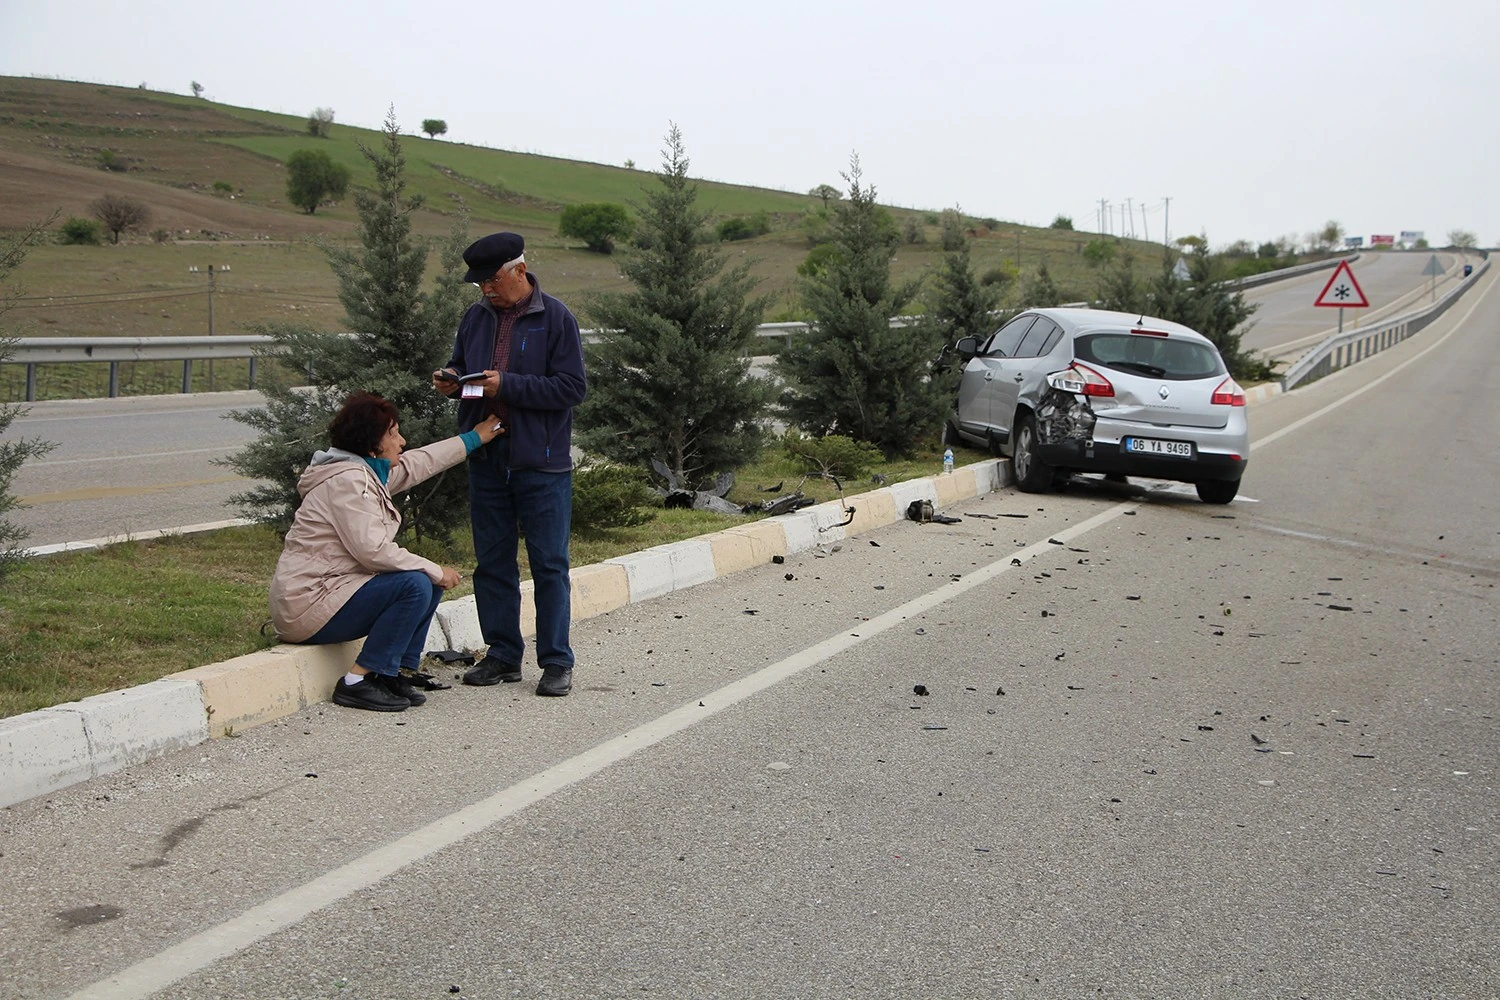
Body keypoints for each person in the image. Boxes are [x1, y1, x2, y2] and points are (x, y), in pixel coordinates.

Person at [269, 391, 505, 712]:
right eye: (393, 434)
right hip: (309, 607)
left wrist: (473, 439)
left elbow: (418, 463)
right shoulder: (349, 482)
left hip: (330, 596)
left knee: (423, 581)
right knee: (415, 583)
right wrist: (436, 569)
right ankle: (358, 681)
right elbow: (373, 552)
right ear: (371, 445)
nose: (402, 441)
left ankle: (395, 673)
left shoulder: (364, 473)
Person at [433, 232, 587, 697]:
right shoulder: (476, 318)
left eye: (492, 280)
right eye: (479, 283)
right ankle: (502, 655)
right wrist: (456, 384)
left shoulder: (556, 317)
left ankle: (557, 662)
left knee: (549, 565)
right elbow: (469, 375)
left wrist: (509, 387)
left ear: (520, 270)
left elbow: (570, 389)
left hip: (541, 463)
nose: (485, 290)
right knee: (493, 563)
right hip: (487, 455)